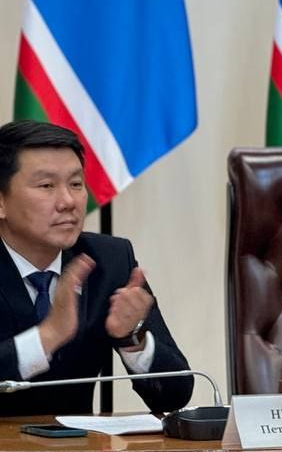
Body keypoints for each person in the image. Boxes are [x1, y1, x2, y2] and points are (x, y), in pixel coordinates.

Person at [0, 120, 193, 416]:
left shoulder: (108, 260)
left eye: (76, 184)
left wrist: (132, 338)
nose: (68, 201)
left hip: (81, 444)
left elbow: (175, 395)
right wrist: (48, 335)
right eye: (47, 186)